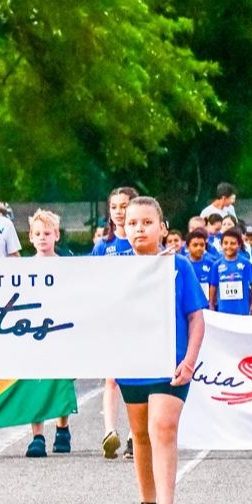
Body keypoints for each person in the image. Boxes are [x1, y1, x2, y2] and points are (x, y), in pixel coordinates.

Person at [118, 197, 206, 504]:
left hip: (171, 364)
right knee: (140, 435)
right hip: (131, 363)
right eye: (132, 223)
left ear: (162, 227)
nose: (140, 228)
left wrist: (190, 360)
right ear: (122, 230)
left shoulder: (179, 266)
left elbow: (196, 317)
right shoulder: (114, 268)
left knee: (162, 427)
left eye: (147, 222)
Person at [90, 186, 138, 459]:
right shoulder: (103, 247)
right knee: (112, 379)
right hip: (113, 322)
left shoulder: (142, 243)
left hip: (140, 322)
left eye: (124, 206)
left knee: (137, 380)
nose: (119, 212)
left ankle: (135, 435)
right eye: (115, 207)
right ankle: (110, 432)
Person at [24, 209, 73, 458]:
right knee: (36, 382)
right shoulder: (24, 268)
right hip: (34, 331)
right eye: (37, 233)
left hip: (60, 328)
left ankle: (62, 427)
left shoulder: (66, 265)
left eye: (47, 233)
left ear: (56, 235)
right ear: (31, 237)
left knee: (61, 379)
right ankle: (37, 435)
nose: (42, 237)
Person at [210, 227, 252, 315]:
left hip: (242, 310)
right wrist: (211, 304)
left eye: (233, 243)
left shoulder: (246, 263)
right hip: (223, 310)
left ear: (239, 245)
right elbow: (213, 286)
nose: (229, 246)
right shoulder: (216, 265)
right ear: (221, 245)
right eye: (226, 243)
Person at [184, 230, 216, 302]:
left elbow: (214, 286)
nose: (199, 248)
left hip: (206, 305)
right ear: (187, 246)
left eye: (202, 245)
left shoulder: (212, 264)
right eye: (195, 245)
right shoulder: (183, 264)